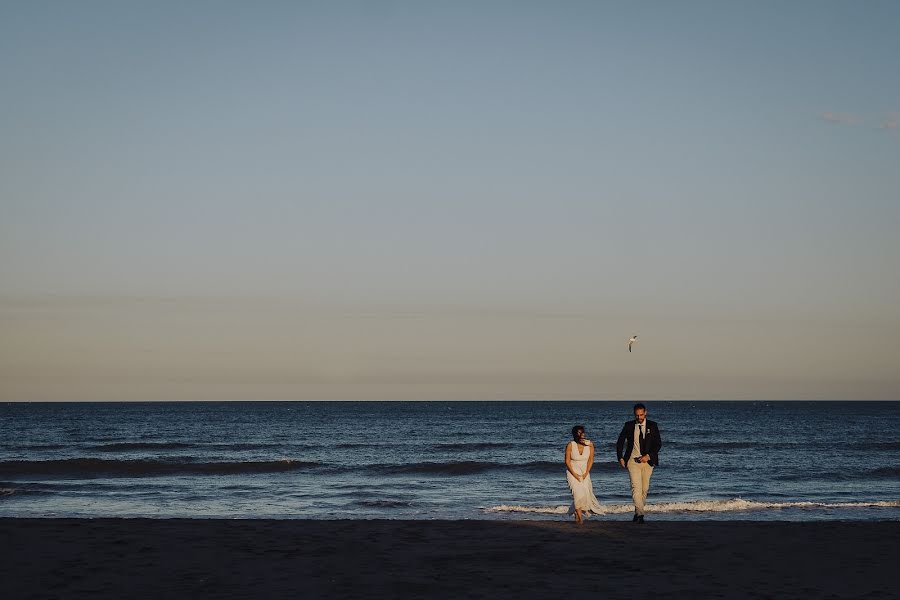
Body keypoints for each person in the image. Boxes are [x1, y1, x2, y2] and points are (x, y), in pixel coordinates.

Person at [616, 403, 662, 523]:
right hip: (632, 461)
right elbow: (620, 441)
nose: (639, 417)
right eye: (637, 415)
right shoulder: (629, 425)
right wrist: (620, 457)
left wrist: (648, 456)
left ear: (645, 413)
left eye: (641, 415)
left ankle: (637, 512)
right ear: (634, 414)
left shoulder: (653, 425)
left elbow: (658, 444)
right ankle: (641, 515)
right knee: (636, 488)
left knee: (644, 489)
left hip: (648, 462)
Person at [565, 425, 602, 524]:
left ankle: (577, 513)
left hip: (585, 471)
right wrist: (574, 474)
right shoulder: (570, 445)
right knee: (577, 493)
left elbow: (591, 460)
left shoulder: (590, 444)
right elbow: (567, 461)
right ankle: (580, 518)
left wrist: (586, 473)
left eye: (582, 432)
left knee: (585, 494)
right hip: (572, 471)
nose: (581, 434)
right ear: (575, 434)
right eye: (578, 432)